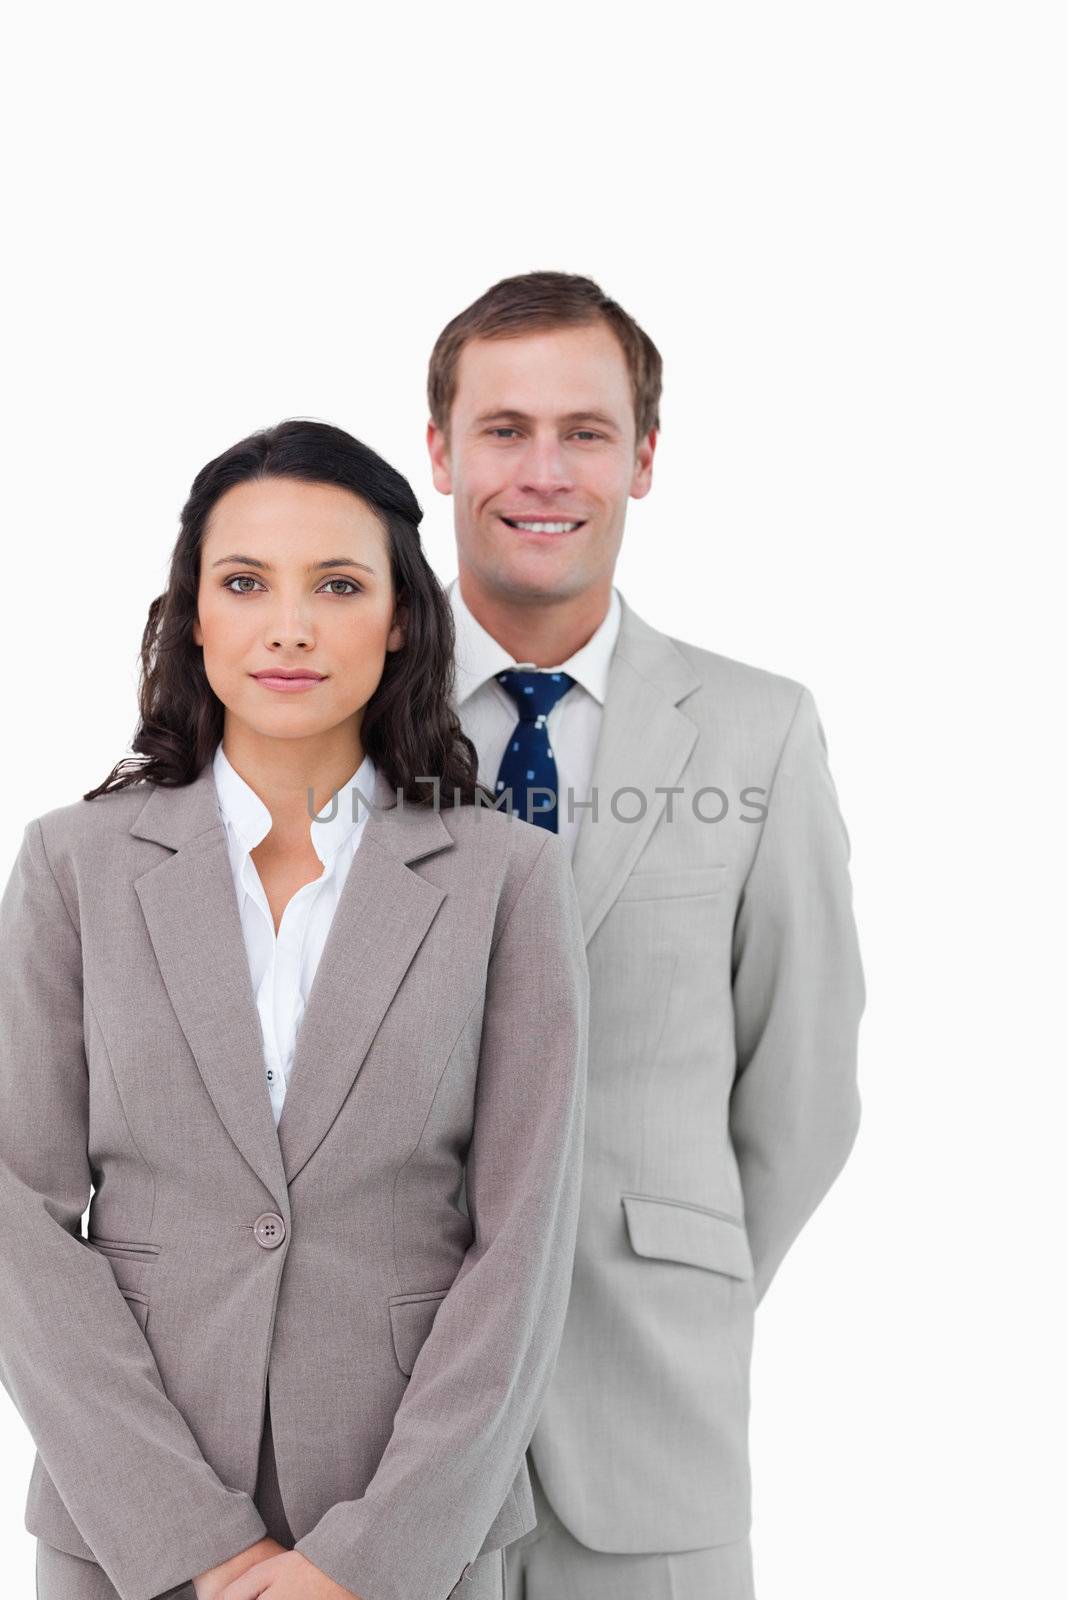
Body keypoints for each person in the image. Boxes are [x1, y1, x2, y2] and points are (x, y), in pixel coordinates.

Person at [0, 419, 589, 1600]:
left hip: (416, 1530)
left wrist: (369, 1554)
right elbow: (17, 1214)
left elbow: (522, 1244)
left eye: (336, 583)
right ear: (194, 614)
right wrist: (190, 1533)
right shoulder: (76, 866)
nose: (288, 625)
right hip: (128, 1527)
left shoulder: (505, 877)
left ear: (401, 617)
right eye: (244, 582)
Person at [425, 271, 866, 1599]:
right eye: (502, 429)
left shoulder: (756, 730)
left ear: (645, 459)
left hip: (650, 1429)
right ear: (438, 450)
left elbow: (798, 1092)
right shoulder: (326, 717)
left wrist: (682, 1274)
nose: (542, 472)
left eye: (585, 432)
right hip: (375, 1448)